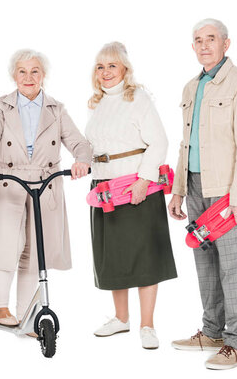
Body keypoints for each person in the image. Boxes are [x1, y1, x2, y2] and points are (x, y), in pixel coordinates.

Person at [168, 18, 237, 370]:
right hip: (194, 186)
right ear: (192, 46)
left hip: (226, 191)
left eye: (211, 39)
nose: (204, 45)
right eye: (198, 40)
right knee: (205, 263)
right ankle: (212, 332)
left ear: (226, 43)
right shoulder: (192, 87)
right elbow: (185, 142)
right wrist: (177, 190)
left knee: (232, 266)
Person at [0, 49, 91, 327]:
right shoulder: (2, 106)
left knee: (36, 249)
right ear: (14, 76)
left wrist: (82, 161)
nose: (28, 77)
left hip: (45, 182)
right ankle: (0, 307)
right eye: (22, 71)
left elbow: (79, 142)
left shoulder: (56, 109)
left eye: (35, 71)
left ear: (44, 75)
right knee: (7, 243)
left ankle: (26, 312)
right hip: (7, 180)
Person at [86, 42, 177, 350]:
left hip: (137, 186)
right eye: (100, 66)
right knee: (113, 254)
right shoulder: (96, 103)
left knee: (144, 255)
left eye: (112, 66)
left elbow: (159, 142)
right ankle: (121, 318)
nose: (106, 72)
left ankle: (147, 325)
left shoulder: (137, 97)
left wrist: (144, 179)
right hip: (104, 188)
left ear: (124, 69)